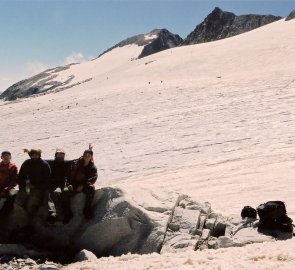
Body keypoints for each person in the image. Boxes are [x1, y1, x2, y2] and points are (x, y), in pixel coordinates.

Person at [62, 149, 97, 222]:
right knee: (65, 192)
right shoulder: (75, 163)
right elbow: (66, 175)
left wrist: (83, 186)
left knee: (91, 188)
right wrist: (68, 185)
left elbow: (93, 178)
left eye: (88, 156)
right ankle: (68, 213)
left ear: (91, 157)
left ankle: (87, 210)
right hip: (72, 185)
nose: (86, 157)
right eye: (85, 155)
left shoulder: (92, 167)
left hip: (83, 185)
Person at [16, 148, 51, 216]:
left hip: (38, 189)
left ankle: (31, 219)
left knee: (31, 204)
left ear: (39, 155)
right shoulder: (26, 163)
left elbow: (47, 181)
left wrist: (36, 186)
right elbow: (20, 177)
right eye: (32, 154)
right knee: (18, 201)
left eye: (36, 155)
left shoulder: (44, 165)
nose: (34, 156)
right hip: (26, 187)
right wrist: (23, 185)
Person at [0, 151, 18, 218]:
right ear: (1, 157)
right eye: (4, 156)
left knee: (10, 197)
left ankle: (3, 216)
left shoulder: (13, 167)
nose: (6, 157)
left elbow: (14, 181)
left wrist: (5, 189)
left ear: (10, 157)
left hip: (8, 188)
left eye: (8, 155)